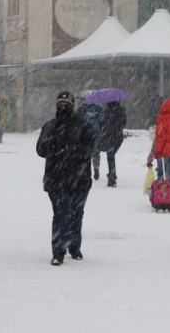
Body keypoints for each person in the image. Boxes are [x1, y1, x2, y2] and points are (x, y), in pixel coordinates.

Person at [36, 91, 95, 266]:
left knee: (77, 214)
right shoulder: (50, 126)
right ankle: (58, 251)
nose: (63, 108)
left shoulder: (83, 126)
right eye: (60, 104)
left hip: (79, 179)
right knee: (60, 215)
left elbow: (89, 149)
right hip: (56, 179)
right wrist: (55, 146)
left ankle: (74, 246)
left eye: (66, 105)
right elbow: (40, 149)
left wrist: (72, 151)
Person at [98, 101, 127, 187]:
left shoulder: (107, 112)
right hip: (118, 137)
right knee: (111, 155)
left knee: (110, 156)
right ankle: (112, 175)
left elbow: (101, 123)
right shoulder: (121, 111)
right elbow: (124, 123)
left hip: (109, 136)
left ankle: (112, 176)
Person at [77, 101, 103, 180]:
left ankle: (85, 170)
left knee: (85, 152)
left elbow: (77, 120)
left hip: (85, 132)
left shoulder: (81, 109)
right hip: (96, 131)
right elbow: (103, 120)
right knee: (96, 151)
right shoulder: (99, 109)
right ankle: (96, 167)